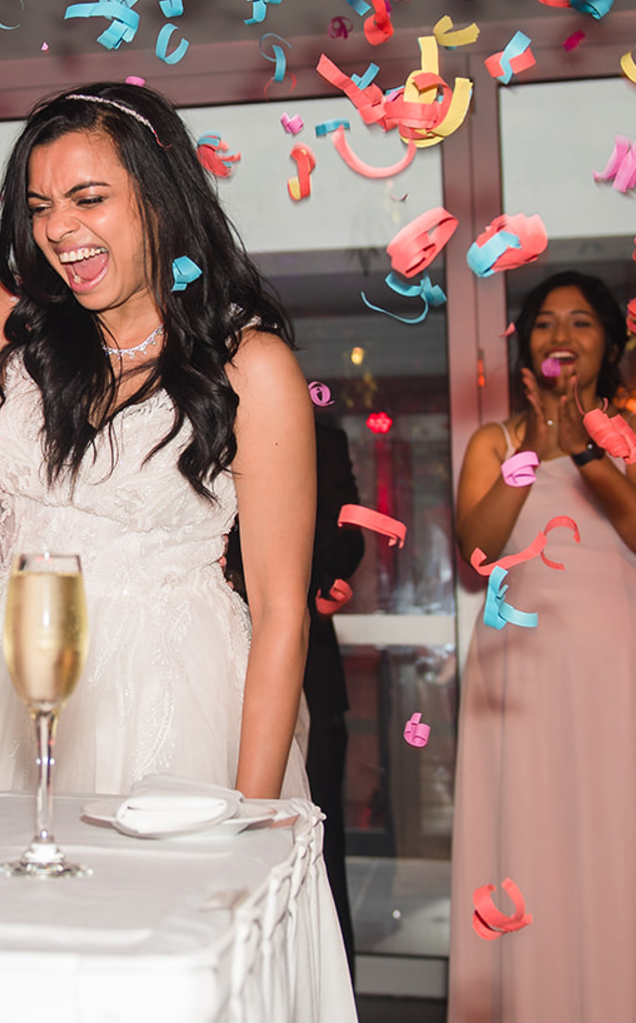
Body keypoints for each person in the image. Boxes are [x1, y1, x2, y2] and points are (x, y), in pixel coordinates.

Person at [0, 82, 315, 800]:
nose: (59, 228)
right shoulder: (10, 320)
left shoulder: (253, 367)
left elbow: (282, 613)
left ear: (160, 199)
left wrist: (252, 815)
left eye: (88, 199)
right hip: (8, 675)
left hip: (171, 696)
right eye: (39, 207)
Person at [448, 271, 636, 1023]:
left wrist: (588, 451)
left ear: (612, 344)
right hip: (520, 677)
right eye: (544, 323)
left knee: (621, 848)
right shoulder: (493, 441)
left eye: (580, 323)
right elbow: (475, 557)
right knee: (531, 848)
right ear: (526, 343)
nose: (561, 338)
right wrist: (537, 450)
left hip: (620, 669)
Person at [228, 411, 365, 968]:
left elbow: (341, 547)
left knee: (314, 866)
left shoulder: (318, 433)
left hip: (303, 674)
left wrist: (241, 568)